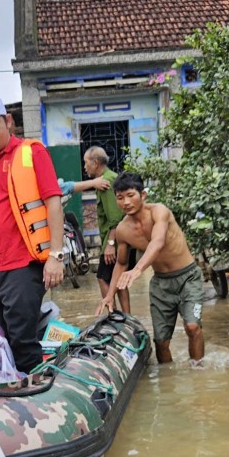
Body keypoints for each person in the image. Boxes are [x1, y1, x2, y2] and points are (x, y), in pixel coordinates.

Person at [0, 93, 66, 374]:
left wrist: (56, 255)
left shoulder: (31, 153)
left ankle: (34, 402)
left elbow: (53, 203)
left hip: (23, 267)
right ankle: (7, 395)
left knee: (21, 341)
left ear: (8, 121)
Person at [96, 172, 205, 367]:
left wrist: (137, 270)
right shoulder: (123, 229)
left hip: (188, 277)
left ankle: (198, 371)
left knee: (192, 326)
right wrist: (109, 295)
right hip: (161, 283)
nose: (126, 202)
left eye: (131, 195)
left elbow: (158, 242)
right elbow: (120, 264)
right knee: (161, 341)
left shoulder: (159, 212)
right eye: (120, 198)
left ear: (143, 195)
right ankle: (168, 381)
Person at [84, 146, 133, 312]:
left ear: (96, 163)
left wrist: (111, 244)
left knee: (102, 278)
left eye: (86, 163)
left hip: (114, 239)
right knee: (116, 279)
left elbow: (115, 218)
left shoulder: (107, 182)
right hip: (113, 239)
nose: (85, 167)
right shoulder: (104, 180)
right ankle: (126, 319)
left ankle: (115, 317)